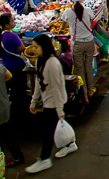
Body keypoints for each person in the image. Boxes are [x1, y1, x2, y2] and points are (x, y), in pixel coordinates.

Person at [26, 34, 75, 174]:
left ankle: (45, 158)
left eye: (36, 47)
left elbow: (57, 87)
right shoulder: (40, 61)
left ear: (44, 47)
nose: (33, 50)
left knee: (48, 131)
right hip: (48, 101)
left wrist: (60, 110)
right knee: (57, 127)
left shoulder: (53, 64)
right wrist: (34, 101)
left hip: (54, 103)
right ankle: (70, 144)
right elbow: (38, 82)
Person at [61, 0, 95, 103]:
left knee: (80, 70)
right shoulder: (88, 10)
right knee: (89, 67)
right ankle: (90, 91)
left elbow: (62, 27)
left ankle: (84, 96)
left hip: (77, 45)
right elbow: (91, 24)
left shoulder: (67, 12)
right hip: (89, 42)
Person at [0, 13, 27, 113]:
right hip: (18, 67)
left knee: (12, 90)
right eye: (12, 21)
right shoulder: (12, 36)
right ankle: (21, 112)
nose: (14, 22)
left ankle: (12, 111)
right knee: (20, 91)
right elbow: (23, 50)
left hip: (6, 67)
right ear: (6, 25)